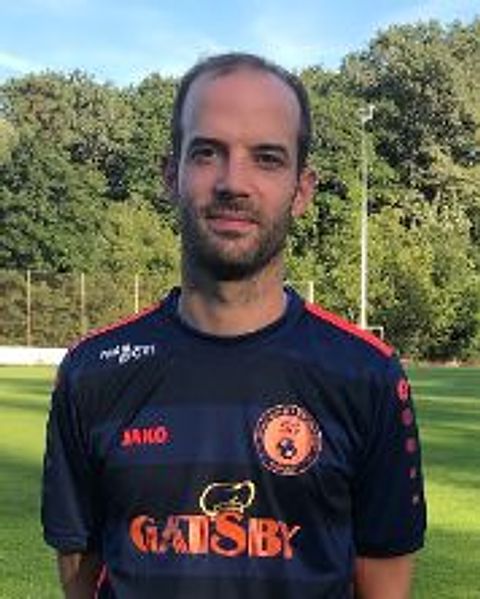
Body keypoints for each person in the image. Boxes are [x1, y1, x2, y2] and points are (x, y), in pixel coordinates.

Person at [42, 52, 426, 598]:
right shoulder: (92, 372)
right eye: (207, 152)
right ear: (170, 175)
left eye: (267, 158)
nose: (233, 182)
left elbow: (384, 587)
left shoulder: (368, 374)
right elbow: (80, 572)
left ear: (302, 189)